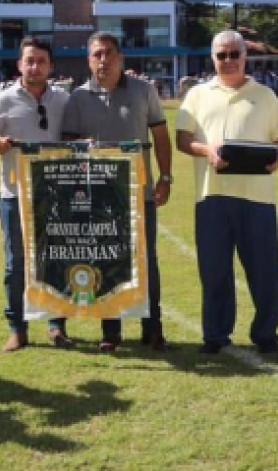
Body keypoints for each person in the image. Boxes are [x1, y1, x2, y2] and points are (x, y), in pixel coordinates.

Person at [176, 30, 278, 354]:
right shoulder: (197, 95)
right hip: (211, 196)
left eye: (234, 54)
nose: (228, 61)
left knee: (263, 271)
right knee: (214, 272)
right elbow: (182, 139)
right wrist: (206, 151)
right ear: (213, 58)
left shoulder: (265, 95)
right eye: (221, 55)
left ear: (244, 56)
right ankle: (215, 335)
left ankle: (266, 334)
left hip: (257, 198)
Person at [61, 32, 173, 352]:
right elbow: (65, 146)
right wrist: (81, 146)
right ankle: (110, 331)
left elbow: (161, 137)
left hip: (140, 193)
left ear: (121, 58)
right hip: (98, 197)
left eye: (109, 53)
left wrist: (165, 177)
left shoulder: (143, 90)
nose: (103, 60)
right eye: (97, 54)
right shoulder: (77, 98)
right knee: (105, 261)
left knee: (146, 261)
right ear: (88, 60)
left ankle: (152, 328)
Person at [0, 39, 72, 352]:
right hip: (14, 196)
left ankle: (57, 326)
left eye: (41, 61)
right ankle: (17, 329)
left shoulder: (63, 100)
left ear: (51, 66)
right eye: (29, 61)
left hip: (54, 196)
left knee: (55, 261)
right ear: (19, 65)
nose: (35, 67)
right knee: (15, 264)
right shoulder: (2, 100)